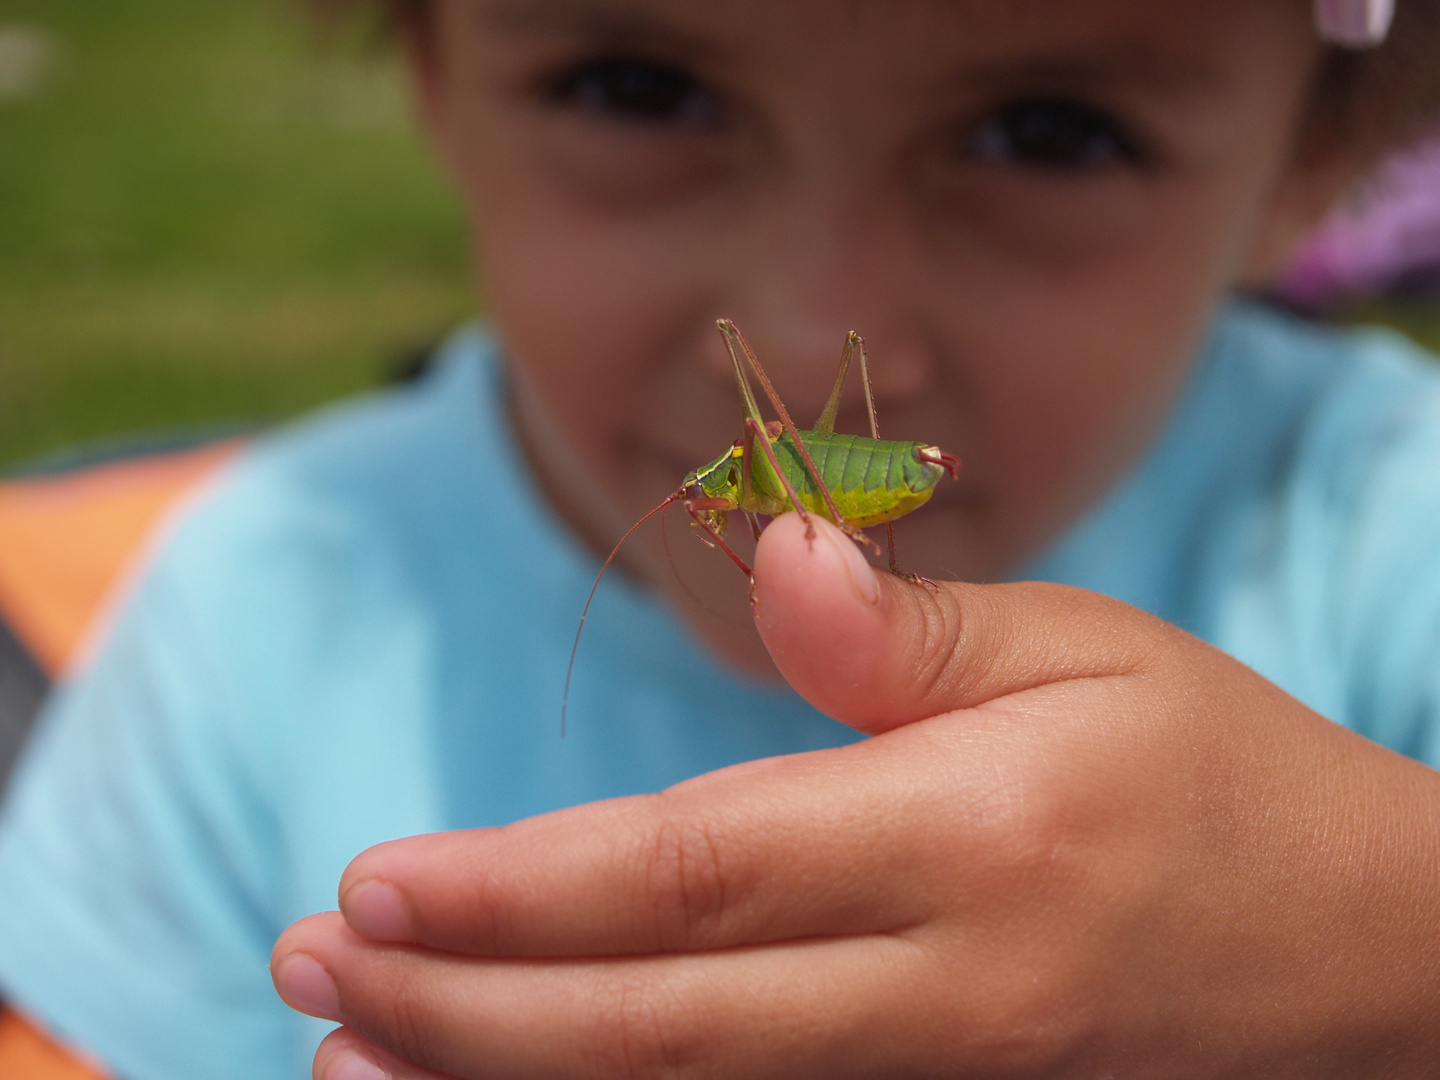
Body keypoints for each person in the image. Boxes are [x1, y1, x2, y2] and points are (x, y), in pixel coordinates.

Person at [2, 0, 1440, 1077]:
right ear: (431, 74)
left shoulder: (1386, 515)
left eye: (1048, 132)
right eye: (640, 88)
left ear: (1309, 168)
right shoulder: (246, 604)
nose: (819, 320)